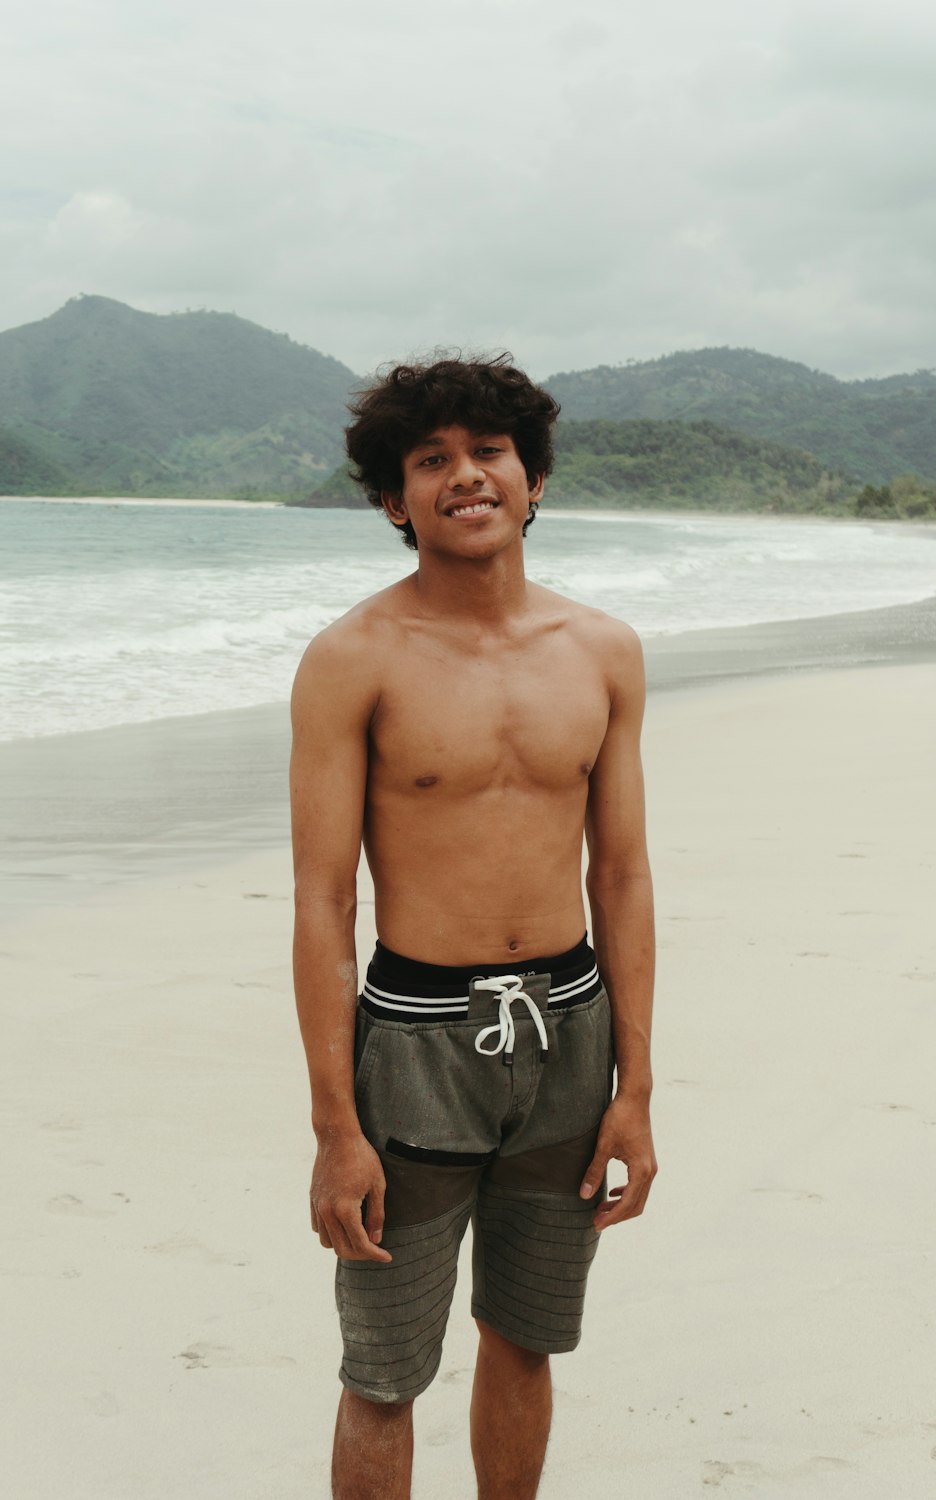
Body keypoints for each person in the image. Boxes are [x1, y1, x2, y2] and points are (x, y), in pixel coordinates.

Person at [290, 354, 656, 1500]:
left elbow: (626, 877)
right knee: (387, 1368)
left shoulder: (601, 652)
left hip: (567, 1029)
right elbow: (322, 902)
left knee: (528, 1334)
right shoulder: (353, 660)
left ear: (533, 478)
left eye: (488, 451)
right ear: (396, 502)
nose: (465, 476)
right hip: (415, 1040)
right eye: (430, 459)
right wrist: (334, 1126)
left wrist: (635, 1092)